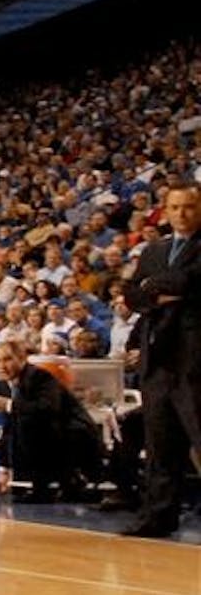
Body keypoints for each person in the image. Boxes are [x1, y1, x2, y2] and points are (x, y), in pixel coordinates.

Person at [121, 184, 201, 537]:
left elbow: (189, 281)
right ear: (165, 210)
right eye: (175, 207)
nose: (181, 214)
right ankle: (157, 517)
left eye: (189, 207)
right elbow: (132, 293)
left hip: (196, 361)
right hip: (157, 361)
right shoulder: (155, 249)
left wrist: (154, 288)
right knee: (160, 444)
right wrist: (157, 292)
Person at [0, 342, 102, 502]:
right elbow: (9, 426)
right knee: (10, 433)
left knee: (30, 426)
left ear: (22, 359)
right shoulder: (4, 385)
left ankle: (54, 484)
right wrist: (3, 470)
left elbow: (47, 409)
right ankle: (44, 485)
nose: (2, 366)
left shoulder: (39, 376)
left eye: (7, 359)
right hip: (47, 432)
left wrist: (9, 405)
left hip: (73, 432)